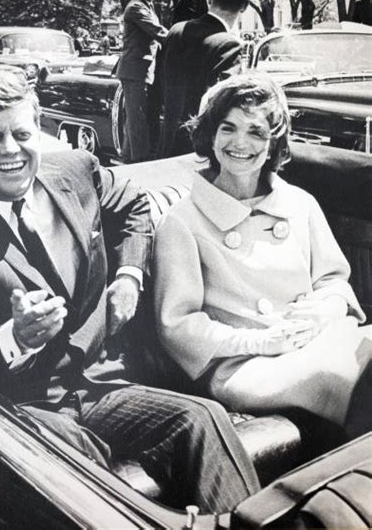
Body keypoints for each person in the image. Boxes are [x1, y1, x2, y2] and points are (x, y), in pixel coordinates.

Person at [0, 69, 259, 514]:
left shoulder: (75, 171)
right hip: (23, 406)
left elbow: (134, 206)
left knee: (203, 418)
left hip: (103, 383)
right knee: (80, 471)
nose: (11, 150)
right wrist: (16, 337)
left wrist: (130, 275)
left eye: (21, 133)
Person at [153, 74, 371, 436]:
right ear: (210, 135)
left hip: (316, 336)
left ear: (273, 144)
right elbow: (178, 326)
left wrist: (326, 309)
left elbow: (333, 280)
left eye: (256, 132)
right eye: (228, 128)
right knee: (343, 377)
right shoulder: (182, 221)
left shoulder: (300, 203)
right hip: (243, 362)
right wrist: (261, 341)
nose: (241, 143)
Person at [159, 0, 255, 158]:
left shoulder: (175, 31)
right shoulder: (229, 45)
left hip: (165, 148)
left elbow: (156, 92)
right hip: (200, 155)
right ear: (244, 6)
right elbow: (226, 109)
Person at [116, 0, 168, 163]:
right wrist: (182, 39)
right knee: (138, 118)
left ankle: (128, 158)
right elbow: (158, 32)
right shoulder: (136, 8)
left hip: (140, 70)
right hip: (135, 70)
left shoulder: (148, 7)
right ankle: (140, 161)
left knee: (135, 117)